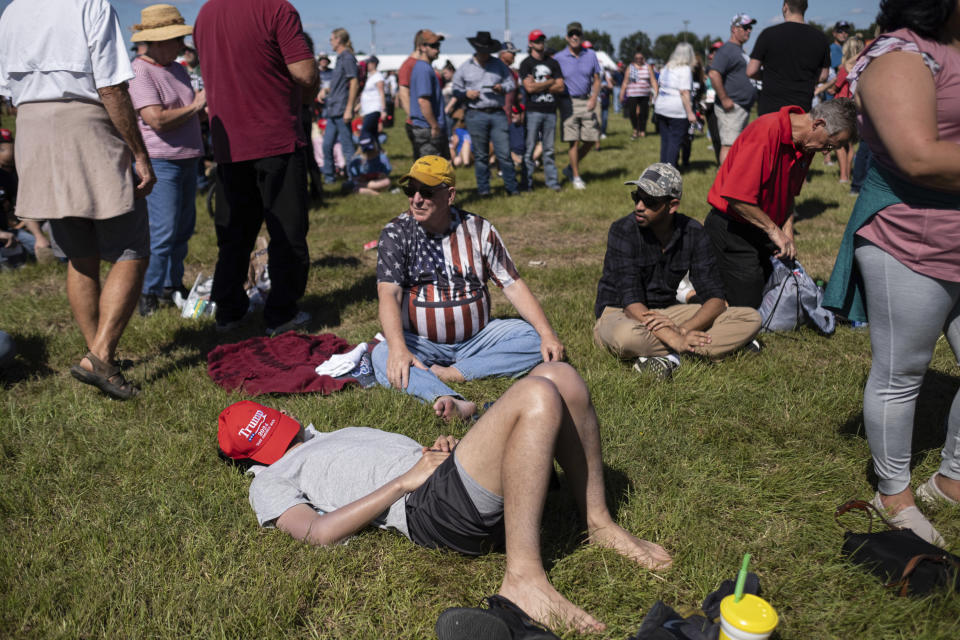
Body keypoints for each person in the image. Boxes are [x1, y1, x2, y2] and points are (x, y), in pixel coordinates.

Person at [219, 362, 672, 634]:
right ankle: (523, 580)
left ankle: (599, 524)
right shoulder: (269, 479)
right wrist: (403, 483)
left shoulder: (335, 432)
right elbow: (316, 533)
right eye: (277, 442)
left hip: (442, 480)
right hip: (426, 510)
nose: (291, 441)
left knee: (561, 377)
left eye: (282, 430)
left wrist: (438, 452)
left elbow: (401, 457)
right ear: (253, 458)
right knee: (537, 392)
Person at [823, 0, 960, 546]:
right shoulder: (900, 54)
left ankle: (951, 480)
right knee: (902, 372)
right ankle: (893, 493)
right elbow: (918, 155)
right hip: (911, 240)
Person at [0, 0, 157, 400]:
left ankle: (99, 356)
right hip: (85, 121)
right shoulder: (90, 4)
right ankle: (101, 357)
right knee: (131, 247)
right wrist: (139, 152)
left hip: (32, 127)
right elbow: (110, 85)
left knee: (78, 253)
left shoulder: (12, 11)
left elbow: (8, 91)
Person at [373, 156, 565, 421]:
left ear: (449, 195)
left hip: (479, 338)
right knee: (382, 353)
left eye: (426, 192)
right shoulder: (396, 233)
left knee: (534, 338)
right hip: (422, 342)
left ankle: (454, 373)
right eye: (411, 190)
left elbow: (512, 284)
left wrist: (547, 334)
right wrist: (397, 348)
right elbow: (389, 293)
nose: (416, 199)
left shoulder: (479, 229)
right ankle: (447, 398)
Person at [195, 0, 319, 335]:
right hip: (273, 136)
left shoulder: (206, 13)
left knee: (234, 234)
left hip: (229, 144)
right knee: (287, 233)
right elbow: (304, 72)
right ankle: (281, 314)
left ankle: (229, 310)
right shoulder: (276, 9)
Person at [594, 163, 761, 379]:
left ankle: (668, 358)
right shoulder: (623, 230)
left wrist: (683, 330)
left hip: (667, 313)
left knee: (750, 318)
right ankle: (708, 349)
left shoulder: (693, 232)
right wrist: (674, 339)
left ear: (672, 205)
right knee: (626, 338)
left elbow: (715, 298)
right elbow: (630, 302)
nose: (639, 206)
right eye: (637, 197)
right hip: (620, 313)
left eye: (650, 201)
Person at [704, 99, 858, 308]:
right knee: (749, 307)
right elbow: (737, 197)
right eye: (830, 144)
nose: (826, 152)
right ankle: (694, 290)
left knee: (784, 293)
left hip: (762, 228)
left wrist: (787, 232)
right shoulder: (766, 132)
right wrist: (774, 231)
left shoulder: (805, 145)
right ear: (818, 124)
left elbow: (788, 194)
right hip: (732, 226)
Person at [128, 4, 206, 317]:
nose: (182, 46)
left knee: (183, 229)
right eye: (177, 40)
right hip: (161, 161)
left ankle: (172, 284)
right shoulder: (139, 71)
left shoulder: (176, 69)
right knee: (162, 231)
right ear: (160, 41)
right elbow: (156, 119)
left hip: (186, 158)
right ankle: (149, 291)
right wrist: (198, 105)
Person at [451, 32, 518, 196]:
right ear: (476, 49)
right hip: (476, 113)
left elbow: (511, 83)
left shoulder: (499, 65)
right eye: (483, 50)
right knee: (481, 155)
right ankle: (484, 190)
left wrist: (502, 88)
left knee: (504, 152)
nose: (485, 54)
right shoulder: (465, 68)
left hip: (497, 112)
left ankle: (512, 188)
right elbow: (455, 89)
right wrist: (466, 94)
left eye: (488, 50)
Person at [747, 0, 831, 115]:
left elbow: (751, 71)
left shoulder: (768, 34)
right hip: (801, 109)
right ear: (805, 8)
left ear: (785, 7)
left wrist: (769, 76)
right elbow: (823, 76)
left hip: (771, 110)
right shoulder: (821, 38)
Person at [554, 22, 601, 190]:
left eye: (578, 34)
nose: (575, 37)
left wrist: (594, 97)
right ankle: (576, 176)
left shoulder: (591, 55)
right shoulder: (559, 57)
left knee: (590, 139)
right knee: (573, 142)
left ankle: (569, 168)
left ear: (581, 37)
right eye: (572, 34)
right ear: (567, 37)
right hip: (568, 102)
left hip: (587, 101)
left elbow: (597, 79)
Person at [708, 14, 758, 165]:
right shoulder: (727, 50)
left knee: (736, 145)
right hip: (732, 106)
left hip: (740, 106)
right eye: (745, 27)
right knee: (729, 145)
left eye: (750, 28)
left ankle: (732, 179)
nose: (749, 31)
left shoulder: (738, 50)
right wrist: (724, 99)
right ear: (734, 29)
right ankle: (726, 181)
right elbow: (713, 73)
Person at [519, 29, 564, 192]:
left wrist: (539, 86)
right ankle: (527, 184)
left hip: (550, 111)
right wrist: (549, 82)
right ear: (530, 43)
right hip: (533, 111)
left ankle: (552, 183)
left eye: (542, 40)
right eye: (537, 41)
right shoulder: (526, 64)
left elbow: (561, 86)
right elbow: (529, 89)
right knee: (529, 149)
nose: (541, 43)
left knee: (549, 149)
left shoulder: (553, 63)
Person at [321, 28, 358, 185]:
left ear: (338, 40)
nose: (330, 42)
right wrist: (326, 90)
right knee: (326, 145)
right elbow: (340, 83)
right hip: (333, 109)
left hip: (342, 109)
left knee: (347, 146)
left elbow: (354, 82)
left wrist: (349, 108)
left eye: (331, 39)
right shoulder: (340, 58)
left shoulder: (348, 58)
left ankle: (353, 178)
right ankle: (329, 177)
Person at [653, 43, 698, 168]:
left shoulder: (666, 67)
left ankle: (662, 169)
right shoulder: (684, 69)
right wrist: (690, 113)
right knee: (674, 141)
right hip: (676, 109)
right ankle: (669, 170)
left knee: (665, 141)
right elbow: (684, 92)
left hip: (661, 106)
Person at [407, 30, 448, 160]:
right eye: (434, 46)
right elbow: (423, 101)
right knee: (431, 173)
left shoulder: (425, 68)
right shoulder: (423, 69)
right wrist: (434, 125)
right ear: (422, 47)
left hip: (427, 127)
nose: (438, 50)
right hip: (427, 128)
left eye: (438, 46)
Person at [829, 36, 865, 184]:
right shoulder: (863, 66)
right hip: (855, 106)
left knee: (838, 143)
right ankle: (849, 174)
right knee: (850, 144)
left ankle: (844, 176)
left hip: (841, 106)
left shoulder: (845, 68)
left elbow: (834, 88)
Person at [620, 48, 657, 139]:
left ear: (643, 58)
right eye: (637, 58)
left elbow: (653, 80)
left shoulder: (647, 67)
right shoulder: (630, 67)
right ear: (634, 59)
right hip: (632, 93)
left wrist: (656, 92)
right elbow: (625, 82)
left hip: (644, 94)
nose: (639, 60)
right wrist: (621, 94)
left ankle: (642, 130)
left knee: (644, 113)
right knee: (632, 112)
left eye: (640, 58)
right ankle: (635, 129)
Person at [358, 56, 385, 144]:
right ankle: (378, 153)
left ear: (373, 64)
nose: (366, 66)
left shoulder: (378, 76)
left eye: (368, 64)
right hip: (367, 109)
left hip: (374, 108)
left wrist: (383, 110)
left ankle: (368, 151)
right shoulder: (369, 76)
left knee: (365, 133)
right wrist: (358, 106)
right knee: (373, 134)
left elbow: (381, 93)